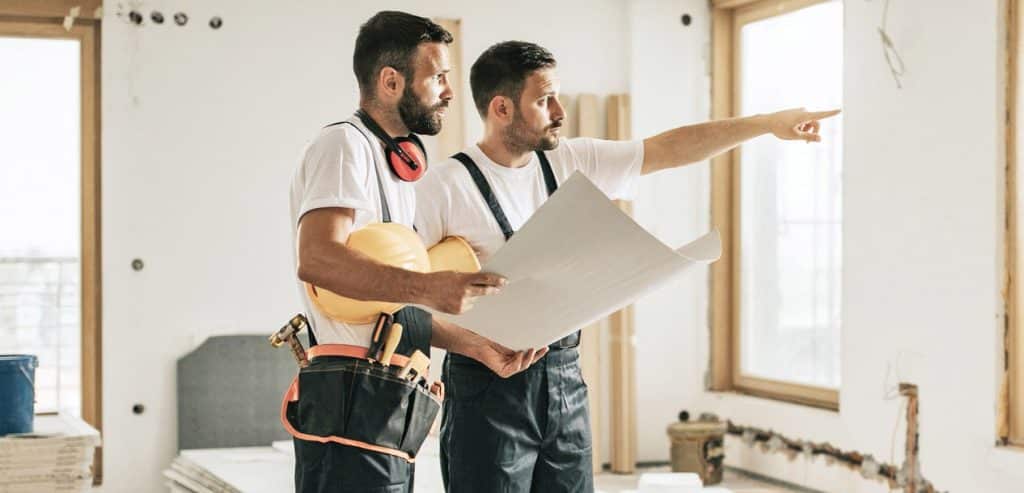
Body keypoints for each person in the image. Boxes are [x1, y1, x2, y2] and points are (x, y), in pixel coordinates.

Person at [415, 40, 840, 493]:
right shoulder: (442, 187)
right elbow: (395, 303)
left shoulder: (571, 161)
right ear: (501, 108)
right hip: (484, 387)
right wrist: (468, 344)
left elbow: (669, 149)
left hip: (565, 381)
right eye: (543, 100)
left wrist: (766, 124)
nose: (560, 110)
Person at [287, 18, 546, 493]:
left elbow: (386, 304)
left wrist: (476, 346)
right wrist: (430, 286)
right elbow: (319, 261)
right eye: (437, 77)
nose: (448, 91)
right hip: (349, 406)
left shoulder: (396, 169)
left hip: (387, 407)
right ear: (391, 81)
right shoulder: (344, 145)